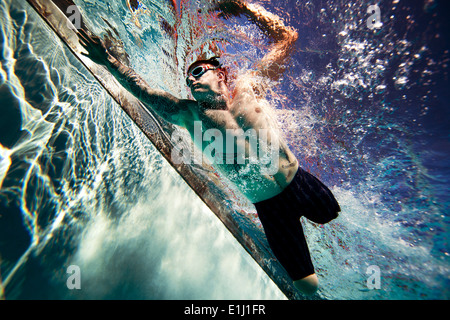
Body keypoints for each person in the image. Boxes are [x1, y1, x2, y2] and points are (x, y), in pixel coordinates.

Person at [77, 0, 340, 296]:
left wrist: (244, 8)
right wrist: (108, 61)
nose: (191, 79)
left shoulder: (249, 87)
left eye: (198, 71)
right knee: (307, 286)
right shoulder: (188, 114)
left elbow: (287, 39)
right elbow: (143, 90)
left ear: (220, 75)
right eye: (189, 78)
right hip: (269, 207)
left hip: (299, 182)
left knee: (334, 214)